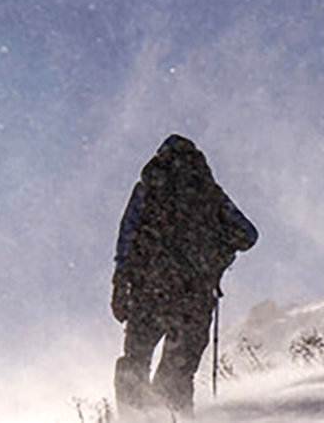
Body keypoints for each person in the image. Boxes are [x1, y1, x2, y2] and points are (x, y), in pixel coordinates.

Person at [111, 134, 258, 418]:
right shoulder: (211, 195)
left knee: (135, 363)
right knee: (177, 375)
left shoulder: (148, 190)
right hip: (195, 298)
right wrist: (218, 247)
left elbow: (126, 237)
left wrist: (120, 281)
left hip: (149, 292)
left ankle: (134, 417)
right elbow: (249, 234)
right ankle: (173, 417)